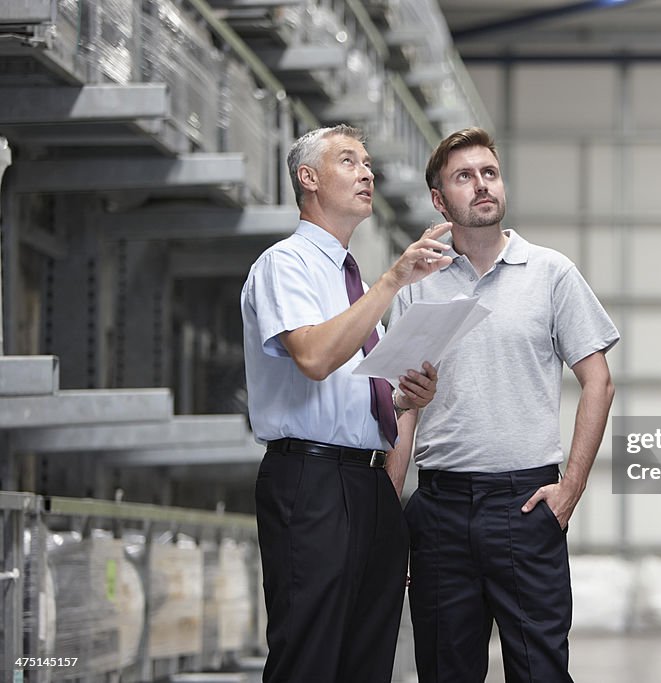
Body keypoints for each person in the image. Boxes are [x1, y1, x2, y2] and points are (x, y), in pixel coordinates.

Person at [388, 127, 619, 683]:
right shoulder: (421, 283)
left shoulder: (551, 273)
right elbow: (404, 408)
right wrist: (386, 512)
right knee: (445, 671)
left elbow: (599, 382)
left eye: (489, 173)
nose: (482, 185)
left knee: (540, 670)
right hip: (439, 510)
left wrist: (571, 488)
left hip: (524, 505)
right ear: (441, 202)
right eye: (464, 177)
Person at [240, 124, 453, 683]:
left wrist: (408, 401)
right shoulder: (285, 265)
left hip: (370, 486)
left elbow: (360, 397)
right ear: (307, 179)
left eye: (367, 163)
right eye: (349, 161)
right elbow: (312, 356)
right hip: (310, 483)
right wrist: (392, 280)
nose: (368, 173)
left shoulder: (353, 288)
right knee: (309, 657)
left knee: (368, 660)